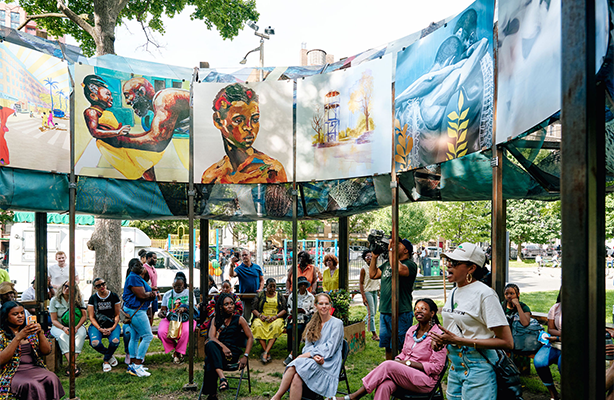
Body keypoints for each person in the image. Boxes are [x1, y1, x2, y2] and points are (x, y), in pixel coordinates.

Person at [429, 243, 513, 400]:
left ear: (471, 268)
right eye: (448, 261)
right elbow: (454, 329)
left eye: (454, 262)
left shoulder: (485, 294)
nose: (448, 265)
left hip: (479, 368)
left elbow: (507, 342)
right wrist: (440, 341)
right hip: (455, 368)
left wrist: (459, 340)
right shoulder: (454, 291)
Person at [341, 299, 447, 400]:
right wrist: (399, 361)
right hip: (406, 375)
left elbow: (437, 367)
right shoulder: (412, 330)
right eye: (416, 309)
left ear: (432, 313)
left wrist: (409, 363)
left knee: (388, 365)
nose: (418, 311)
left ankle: (355, 396)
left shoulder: (438, 336)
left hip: (425, 381)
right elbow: (403, 354)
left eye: (423, 309)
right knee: (384, 385)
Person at [202, 83, 287, 184]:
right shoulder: (211, 176)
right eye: (238, 120)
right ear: (218, 121)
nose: (249, 127)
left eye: (255, 119)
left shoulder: (272, 170)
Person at [270, 293, 344, 400]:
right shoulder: (313, 323)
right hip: (314, 359)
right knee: (296, 377)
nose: (324, 306)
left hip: (328, 362)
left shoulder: (337, 324)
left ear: (330, 306)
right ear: (316, 305)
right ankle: (277, 396)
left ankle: (277, 397)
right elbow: (308, 346)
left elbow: (330, 348)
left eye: (326, 304)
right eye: (321, 303)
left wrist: (311, 354)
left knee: (296, 364)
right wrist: (313, 356)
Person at [0, 301, 65, 399]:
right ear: (5, 316)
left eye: (22, 313)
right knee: (33, 385)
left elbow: (47, 351)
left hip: (33, 368)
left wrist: (40, 333)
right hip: (11, 371)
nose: (20, 316)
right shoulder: (1, 335)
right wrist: (18, 338)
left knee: (52, 377)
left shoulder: (30, 331)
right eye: (15, 314)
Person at [369, 238, 418, 360]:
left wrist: (391, 249)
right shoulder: (387, 264)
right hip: (385, 311)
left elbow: (398, 269)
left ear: (406, 250)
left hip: (401, 312)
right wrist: (374, 257)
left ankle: (401, 373)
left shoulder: (410, 265)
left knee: (402, 347)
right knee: (388, 347)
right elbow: (373, 274)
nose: (394, 245)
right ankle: (389, 371)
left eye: (398, 244)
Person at [203, 293, 254, 399]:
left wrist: (245, 356)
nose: (230, 306)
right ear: (221, 307)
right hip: (219, 352)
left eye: (232, 303)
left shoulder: (239, 319)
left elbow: (250, 337)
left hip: (232, 353)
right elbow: (211, 337)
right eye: (226, 304)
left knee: (210, 358)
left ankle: (212, 394)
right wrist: (223, 347)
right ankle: (222, 379)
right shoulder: (215, 319)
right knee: (211, 345)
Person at [122, 258, 157, 377]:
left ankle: (132, 365)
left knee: (135, 337)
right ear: (131, 267)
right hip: (136, 311)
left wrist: (150, 291)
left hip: (133, 310)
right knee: (147, 336)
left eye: (141, 264)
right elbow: (141, 295)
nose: (140, 266)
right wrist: (151, 295)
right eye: (137, 265)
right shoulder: (132, 277)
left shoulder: (135, 277)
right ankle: (137, 365)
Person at [157, 272, 198, 364]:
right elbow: (163, 309)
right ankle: (178, 349)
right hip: (170, 318)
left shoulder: (189, 293)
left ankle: (178, 353)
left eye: (179, 286)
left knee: (186, 331)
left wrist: (185, 308)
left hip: (186, 318)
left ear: (184, 286)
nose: (176, 288)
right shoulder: (168, 294)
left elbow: (195, 307)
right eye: (175, 286)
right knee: (161, 332)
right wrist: (162, 313)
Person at [49, 280, 88, 377]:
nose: (67, 289)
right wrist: (63, 328)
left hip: (76, 324)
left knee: (81, 334)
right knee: (63, 336)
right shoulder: (54, 300)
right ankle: (73, 365)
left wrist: (76, 327)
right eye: (65, 286)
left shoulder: (78, 299)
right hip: (59, 325)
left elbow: (84, 316)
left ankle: (71, 365)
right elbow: (53, 320)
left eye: (70, 288)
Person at [87, 277, 121, 372]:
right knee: (95, 343)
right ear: (95, 288)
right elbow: (91, 317)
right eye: (98, 286)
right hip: (97, 325)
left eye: (103, 284)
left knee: (115, 341)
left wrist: (113, 327)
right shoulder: (93, 298)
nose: (102, 287)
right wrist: (100, 329)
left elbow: (117, 314)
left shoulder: (113, 296)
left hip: (112, 324)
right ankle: (109, 355)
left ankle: (106, 360)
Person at [533, 289, 562, 400]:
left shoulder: (581, 308)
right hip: (554, 344)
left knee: (562, 365)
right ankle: (553, 393)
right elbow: (550, 330)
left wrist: (559, 336)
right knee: (539, 361)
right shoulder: (556, 308)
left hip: (571, 346)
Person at [251, 278, 287, 364]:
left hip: (275, 318)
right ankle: (267, 352)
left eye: (274, 286)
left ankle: (265, 353)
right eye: (270, 286)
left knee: (276, 326)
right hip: (262, 317)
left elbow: (285, 309)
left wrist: (276, 316)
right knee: (257, 326)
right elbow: (253, 309)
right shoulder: (260, 295)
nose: (272, 288)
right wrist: (260, 316)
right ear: (266, 286)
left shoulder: (279, 295)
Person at [284, 276, 316, 366]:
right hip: (293, 318)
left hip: (305, 319)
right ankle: (291, 349)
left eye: (304, 284)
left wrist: (304, 311)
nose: (302, 286)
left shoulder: (310, 297)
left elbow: (313, 310)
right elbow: (288, 308)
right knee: (290, 329)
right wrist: (292, 311)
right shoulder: (292, 296)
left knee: (298, 329)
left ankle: (293, 353)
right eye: (300, 284)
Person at [229, 250, 264, 323]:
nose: (245, 257)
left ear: (249, 255)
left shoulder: (257, 267)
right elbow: (232, 274)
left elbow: (262, 280)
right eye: (243, 255)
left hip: (256, 297)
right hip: (245, 297)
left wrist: (260, 289)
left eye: (246, 255)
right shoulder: (239, 268)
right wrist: (232, 264)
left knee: (258, 318)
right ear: (241, 257)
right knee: (245, 318)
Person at [359, 250, 380, 341]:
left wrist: (379, 292)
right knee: (371, 314)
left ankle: (361, 324)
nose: (369, 258)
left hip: (375, 291)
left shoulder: (375, 267)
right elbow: (361, 283)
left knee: (373, 313)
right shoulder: (364, 269)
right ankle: (374, 334)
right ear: (364, 258)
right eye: (367, 256)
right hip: (368, 292)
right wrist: (363, 296)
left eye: (371, 256)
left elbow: (377, 281)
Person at [143, 252, 159, 325]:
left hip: (154, 294)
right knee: (147, 314)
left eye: (156, 258)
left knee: (153, 313)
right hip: (148, 294)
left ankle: (151, 330)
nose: (155, 260)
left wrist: (157, 293)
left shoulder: (153, 268)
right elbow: (143, 282)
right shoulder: (144, 268)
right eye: (154, 258)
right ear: (148, 258)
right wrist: (150, 288)